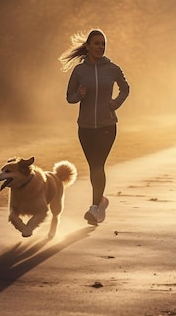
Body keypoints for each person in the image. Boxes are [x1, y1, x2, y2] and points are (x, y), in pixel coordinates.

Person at [59, 29, 130, 226]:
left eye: (103, 44)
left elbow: (125, 89)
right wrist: (79, 96)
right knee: (93, 167)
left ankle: (94, 208)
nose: (100, 47)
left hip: (107, 125)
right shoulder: (79, 71)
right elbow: (69, 97)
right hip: (86, 127)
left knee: (98, 165)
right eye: (97, 43)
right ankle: (101, 201)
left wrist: (115, 103)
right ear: (88, 46)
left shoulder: (113, 68)